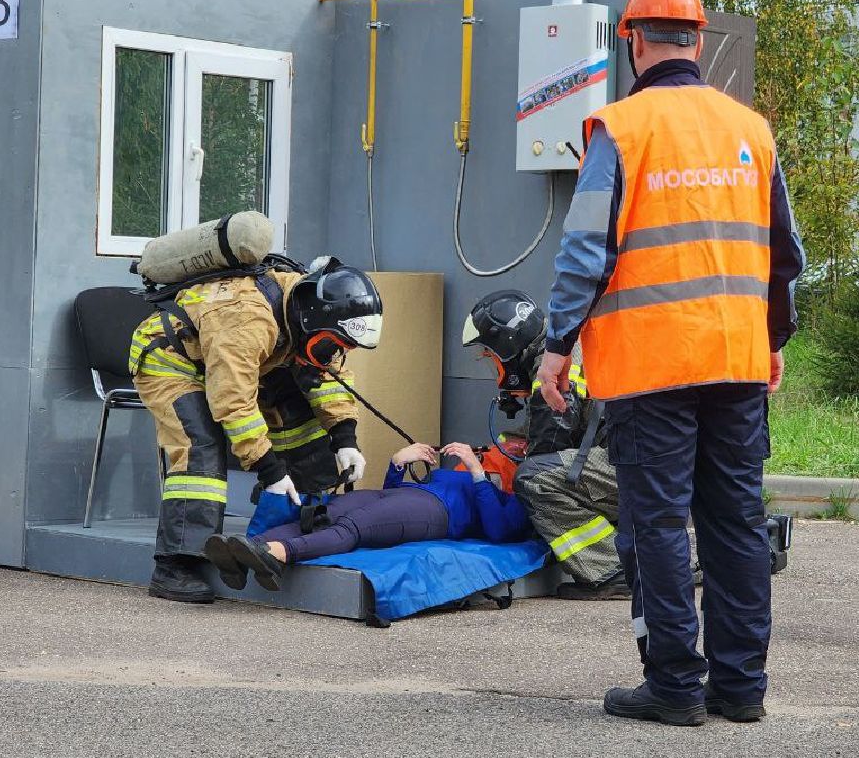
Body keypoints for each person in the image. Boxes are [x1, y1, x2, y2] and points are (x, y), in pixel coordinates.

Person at [537, 0, 805, 727]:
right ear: (697, 39)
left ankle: (675, 685)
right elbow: (786, 254)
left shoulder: (620, 129)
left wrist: (558, 344)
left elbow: (585, 251)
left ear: (633, 42)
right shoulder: (751, 130)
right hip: (736, 362)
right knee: (735, 521)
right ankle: (742, 687)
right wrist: (773, 336)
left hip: (651, 365)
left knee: (656, 524)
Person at [131, 250, 383, 604]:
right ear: (312, 320)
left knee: (300, 421)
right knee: (201, 447)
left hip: (237, 362)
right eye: (331, 343)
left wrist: (345, 438)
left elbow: (329, 376)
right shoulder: (247, 321)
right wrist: (269, 469)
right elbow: (233, 402)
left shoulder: (310, 317)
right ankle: (177, 563)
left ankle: (301, 528)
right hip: (171, 360)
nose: (333, 351)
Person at [461, 289, 627, 600]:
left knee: (534, 480)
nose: (494, 368)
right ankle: (682, 557)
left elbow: (548, 449)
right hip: (655, 461)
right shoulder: (568, 342)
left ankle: (612, 569)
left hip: (631, 466)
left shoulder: (551, 372)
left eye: (491, 357)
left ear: (507, 346)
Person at [206, 441, 531, 591]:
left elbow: (498, 532)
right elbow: (391, 492)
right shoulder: (458, 477)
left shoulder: (515, 499)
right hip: (401, 496)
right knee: (325, 513)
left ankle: (274, 554)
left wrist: (478, 474)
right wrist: (398, 463)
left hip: (434, 513)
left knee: (354, 527)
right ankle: (244, 549)